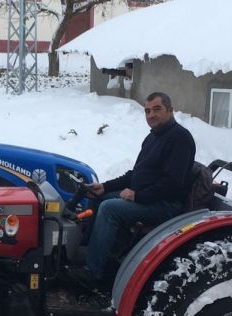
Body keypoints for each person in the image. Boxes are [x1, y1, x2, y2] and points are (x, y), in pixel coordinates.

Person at [83, 92, 196, 284]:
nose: (151, 115)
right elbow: (135, 174)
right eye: (147, 111)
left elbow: (172, 184)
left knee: (109, 209)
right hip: (148, 198)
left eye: (157, 109)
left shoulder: (180, 138)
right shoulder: (152, 138)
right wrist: (105, 186)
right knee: (97, 197)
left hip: (166, 205)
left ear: (170, 110)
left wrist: (138, 196)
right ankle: (91, 255)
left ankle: (93, 272)